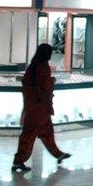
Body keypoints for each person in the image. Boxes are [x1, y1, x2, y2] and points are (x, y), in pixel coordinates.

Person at [12, 44, 70, 172]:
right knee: (33, 135)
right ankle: (18, 160)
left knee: (42, 133)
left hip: (33, 107)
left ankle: (58, 154)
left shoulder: (32, 67)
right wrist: (52, 81)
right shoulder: (43, 67)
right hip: (40, 109)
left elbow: (29, 85)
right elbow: (44, 86)